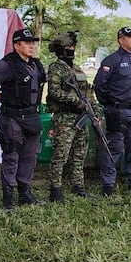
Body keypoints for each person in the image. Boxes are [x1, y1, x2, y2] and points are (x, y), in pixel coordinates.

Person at [0, 27, 47, 209]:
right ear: (17, 45)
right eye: (27, 42)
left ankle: (25, 193)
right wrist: (3, 98)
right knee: (11, 156)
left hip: (32, 117)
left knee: (29, 157)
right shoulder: (6, 64)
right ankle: (8, 197)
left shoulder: (36, 65)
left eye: (33, 42)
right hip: (12, 118)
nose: (31, 46)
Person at [94, 27, 131, 195]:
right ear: (121, 39)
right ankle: (108, 184)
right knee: (114, 146)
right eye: (130, 37)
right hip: (118, 111)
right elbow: (100, 86)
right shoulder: (111, 61)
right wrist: (109, 105)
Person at [44, 32, 92, 201]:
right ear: (60, 49)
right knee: (61, 154)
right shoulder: (56, 67)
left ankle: (78, 185)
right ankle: (55, 188)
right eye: (67, 48)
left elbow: (88, 92)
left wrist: (94, 110)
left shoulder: (77, 69)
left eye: (73, 47)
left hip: (81, 117)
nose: (71, 50)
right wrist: (74, 100)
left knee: (80, 153)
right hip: (65, 117)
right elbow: (54, 92)